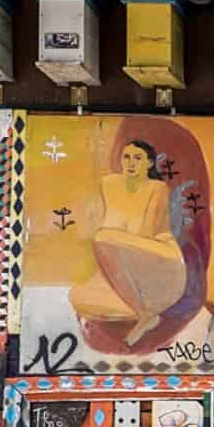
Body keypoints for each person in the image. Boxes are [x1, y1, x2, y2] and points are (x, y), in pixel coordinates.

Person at [69, 140, 189, 343]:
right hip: (122, 260)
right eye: (126, 157)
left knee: (104, 237)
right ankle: (145, 313)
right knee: (79, 297)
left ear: (150, 164)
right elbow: (103, 227)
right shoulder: (109, 184)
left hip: (160, 258)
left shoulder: (157, 189)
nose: (130, 163)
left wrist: (114, 236)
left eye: (138, 158)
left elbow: (146, 233)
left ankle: (145, 313)